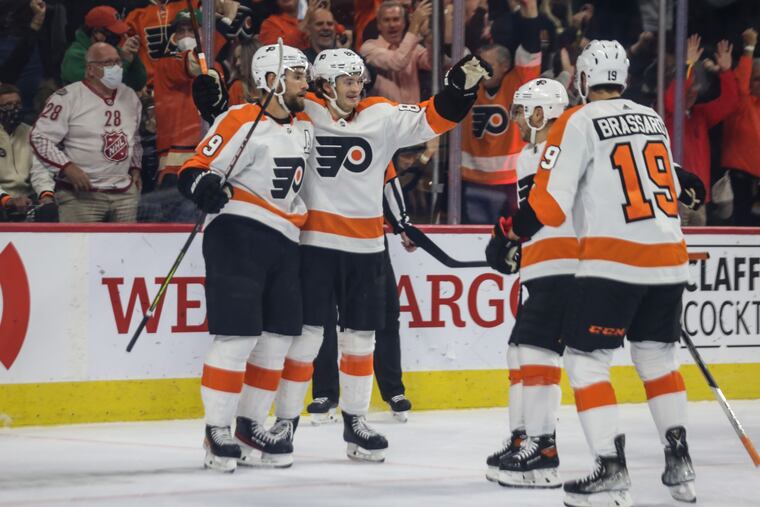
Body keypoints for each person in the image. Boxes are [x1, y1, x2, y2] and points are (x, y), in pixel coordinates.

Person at [266, 48, 491, 463]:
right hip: (314, 246)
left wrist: (458, 92)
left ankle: (356, 423)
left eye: (358, 80)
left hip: (367, 249)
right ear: (324, 84)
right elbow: (263, 113)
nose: (355, 87)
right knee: (307, 338)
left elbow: (431, 118)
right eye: (346, 80)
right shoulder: (304, 112)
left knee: (360, 339)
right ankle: (285, 423)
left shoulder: (381, 115)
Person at [500, 40, 698, 507]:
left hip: (613, 262)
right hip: (670, 258)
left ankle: (610, 469)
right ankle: (681, 465)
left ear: (583, 80)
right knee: (659, 361)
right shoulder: (652, 118)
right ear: (624, 78)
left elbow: (548, 206)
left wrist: (512, 230)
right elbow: (672, 183)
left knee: (587, 362)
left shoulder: (576, 120)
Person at [178, 43, 312, 473]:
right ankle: (216, 428)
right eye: (295, 75)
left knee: (276, 339)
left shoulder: (303, 125)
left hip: (287, 240)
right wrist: (203, 186)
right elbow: (195, 166)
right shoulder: (239, 119)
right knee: (237, 337)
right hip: (238, 234)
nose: (303, 82)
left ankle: (250, 424)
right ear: (271, 80)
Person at [484, 77, 571, 489]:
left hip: (567, 268)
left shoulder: (570, 149)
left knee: (537, 354)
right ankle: (525, 438)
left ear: (540, 113)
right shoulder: (527, 157)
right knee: (519, 353)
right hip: (540, 266)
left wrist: (510, 233)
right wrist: (515, 244)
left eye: (521, 110)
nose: (515, 118)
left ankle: (544, 450)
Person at [30, 42, 143, 223]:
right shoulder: (66, 97)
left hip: (124, 193)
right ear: (90, 69)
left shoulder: (130, 96)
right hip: (81, 195)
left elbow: (134, 137)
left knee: (124, 251)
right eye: (107, 63)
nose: (115, 68)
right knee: (79, 251)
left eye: (117, 62)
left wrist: (136, 167)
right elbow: (40, 137)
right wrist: (66, 167)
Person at [460, 0, 542, 224]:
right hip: (471, 179)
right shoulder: (470, 81)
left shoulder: (520, 81)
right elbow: (452, 44)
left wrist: (531, 9)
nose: (480, 71)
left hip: (510, 180)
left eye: (487, 65)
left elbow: (532, 45)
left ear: (505, 66)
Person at [664, 34, 738, 226]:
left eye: (694, 86)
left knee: (698, 253)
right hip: (674, 199)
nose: (691, 92)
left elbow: (730, 103)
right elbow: (674, 101)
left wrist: (726, 72)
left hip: (699, 201)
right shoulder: (665, 113)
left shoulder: (700, 114)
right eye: (687, 86)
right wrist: (688, 64)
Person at [721, 28, 760, 226]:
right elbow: (740, 83)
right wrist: (749, 49)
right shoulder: (741, 102)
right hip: (741, 182)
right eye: (757, 79)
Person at [360, 0, 433, 103]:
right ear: (379, 25)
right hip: (383, 117)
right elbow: (398, 62)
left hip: (411, 116)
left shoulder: (413, 48)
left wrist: (428, 37)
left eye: (396, 19)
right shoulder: (368, 48)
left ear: (403, 23)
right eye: (386, 20)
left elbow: (434, 64)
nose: (392, 25)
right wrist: (415, 25)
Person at [60, 6, 146, 92]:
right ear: (97, 33)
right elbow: (103, 87)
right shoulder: (75, 56)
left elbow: (138, 83)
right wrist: (124, 62)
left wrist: (133, 56)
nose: (118, 38)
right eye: (113, 34)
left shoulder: (113, 49)